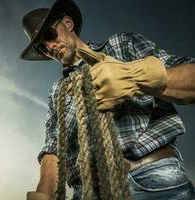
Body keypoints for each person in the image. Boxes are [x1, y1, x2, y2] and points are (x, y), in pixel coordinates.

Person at [20, 0, 195, 199]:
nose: (50, 46)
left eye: (49, 35)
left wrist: (135, 77)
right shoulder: (57, 92)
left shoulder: (122, 44)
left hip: (150, 180)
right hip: (86, 192)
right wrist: (44, 192)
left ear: (68, 23)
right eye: (42, 48)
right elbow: (53, 149)